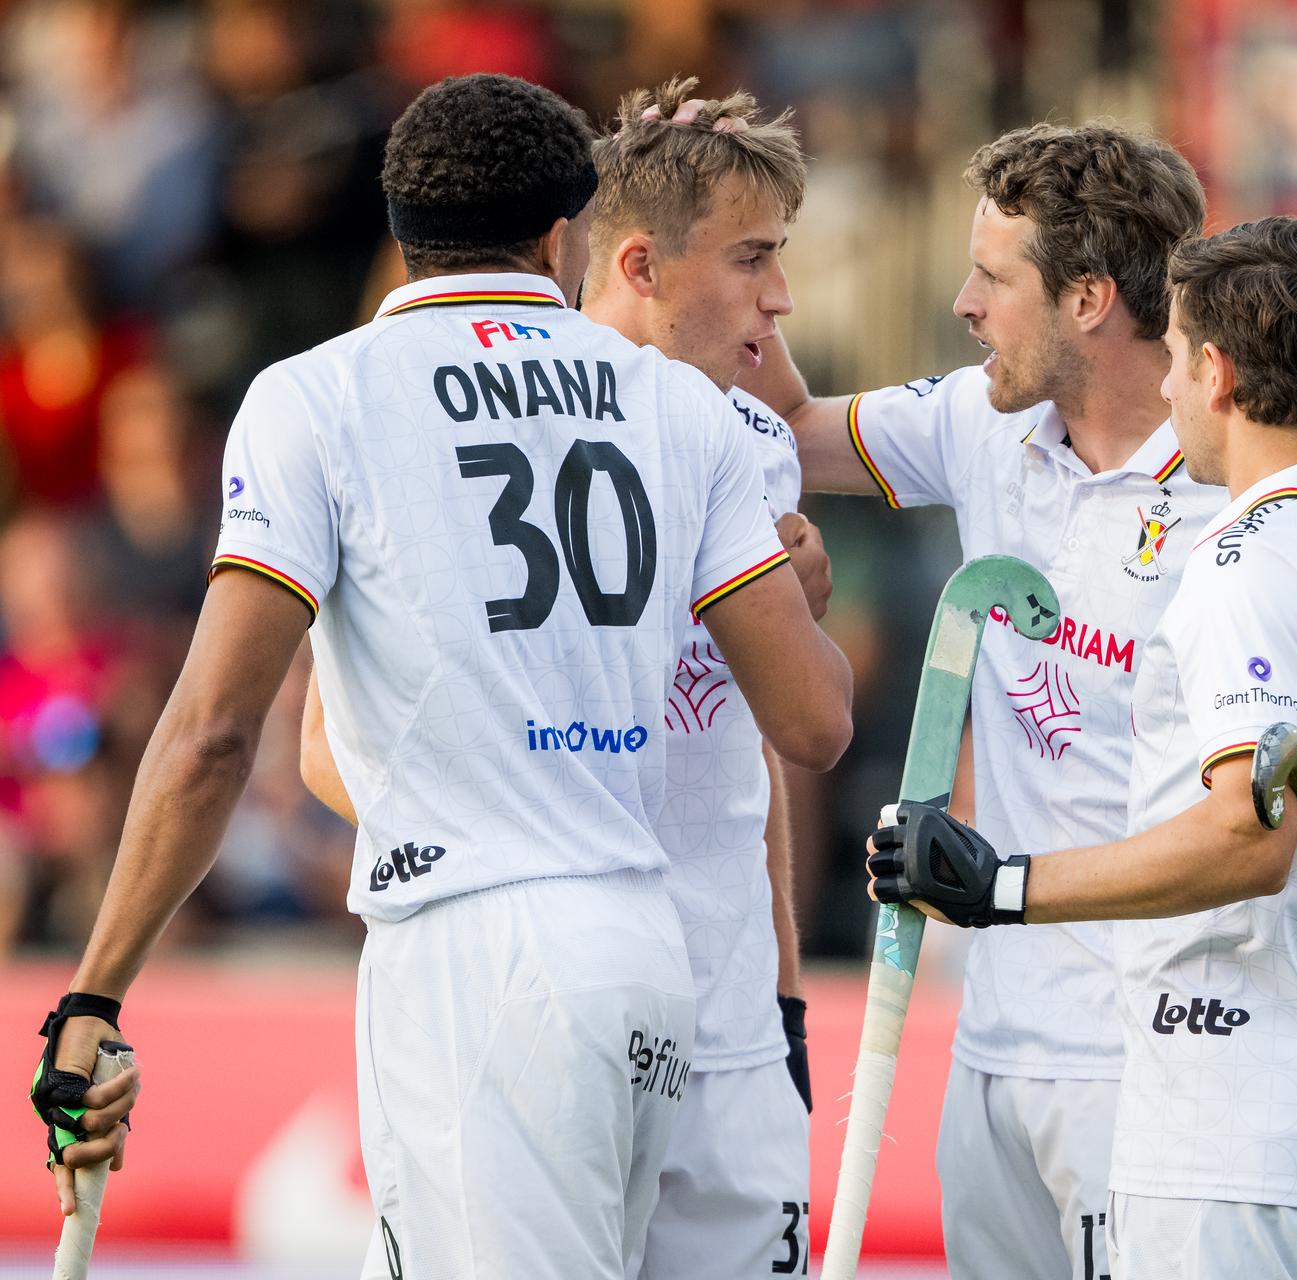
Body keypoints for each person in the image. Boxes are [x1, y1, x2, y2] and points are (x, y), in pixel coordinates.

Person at [28, 73, 852, 1280]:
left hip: (475, 957)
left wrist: (93, 991)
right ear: (564, 233)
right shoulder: (688, 408)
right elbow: (817, 719)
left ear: (400, 231)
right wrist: (800, 601)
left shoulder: (316, 396)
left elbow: (212, 734)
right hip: (656, 958)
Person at [301, 76, 829, 1279]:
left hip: (732, 1020)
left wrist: (787, 992)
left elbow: (757, 744)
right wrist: (497, 849)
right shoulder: (463, 421)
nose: (780, 296)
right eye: (754, 258)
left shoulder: (742, 443)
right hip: (539, 992)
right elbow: (325, 748)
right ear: (624, 257)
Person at [867, 214, 1297, 1279]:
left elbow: (1252, 832)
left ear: (1217, 372)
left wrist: (1001, 884)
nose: (1170, 392)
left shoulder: (1237, 563)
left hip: (1224, 1133)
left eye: (1182, 355)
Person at [741, 120, 1210, 1280]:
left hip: (1151, 1063)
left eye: (994, 278)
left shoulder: (1232, 490)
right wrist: (732, 277)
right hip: (991, 1045)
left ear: (1090, 297)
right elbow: (788, 431)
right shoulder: (978, 421)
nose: (962, 302)